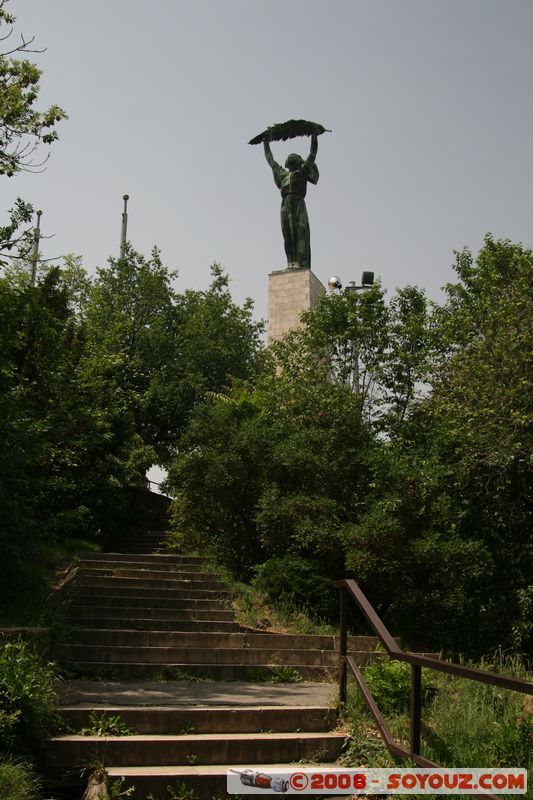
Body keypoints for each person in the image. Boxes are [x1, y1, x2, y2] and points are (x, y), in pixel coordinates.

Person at [263, 133, 319, 269]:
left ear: (299, 162)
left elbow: (312, 155)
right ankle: (291, 262)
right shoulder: (282, 174)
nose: (290, 157)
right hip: (285, 203)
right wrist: (266, 144)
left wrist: (314, 137)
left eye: (293, 157)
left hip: (298, 202)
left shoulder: (302, 172)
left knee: (299, 232)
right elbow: (271, 161)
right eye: (289, 157)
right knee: (287, 233)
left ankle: (300, 262)